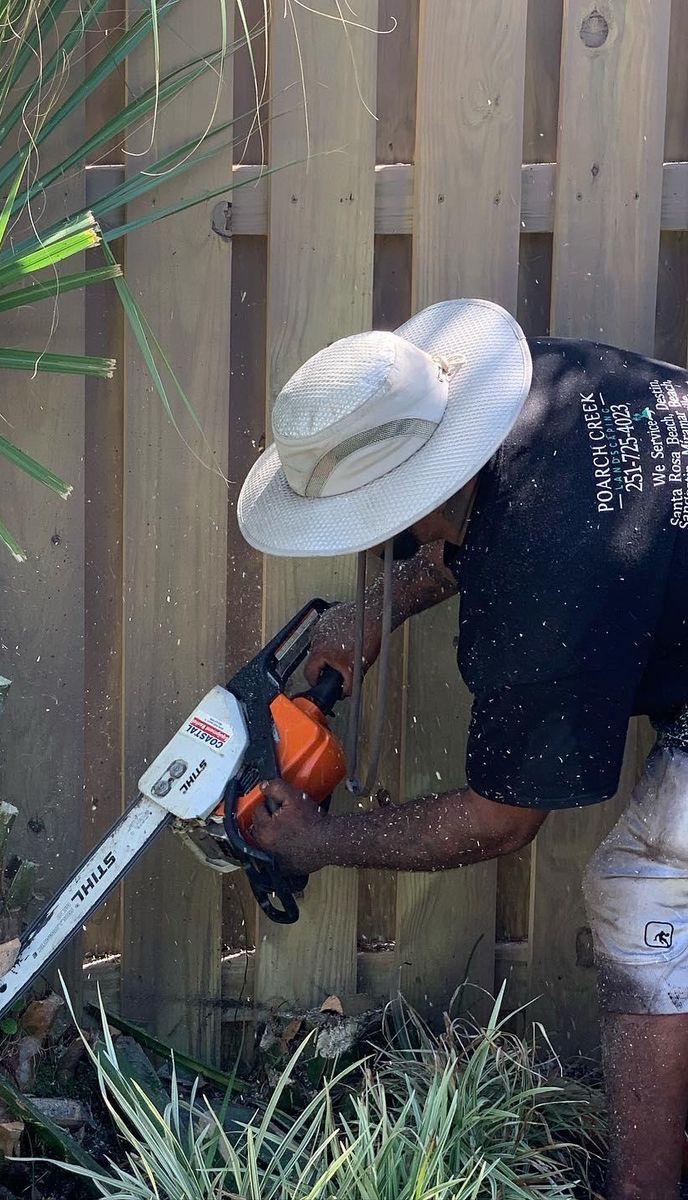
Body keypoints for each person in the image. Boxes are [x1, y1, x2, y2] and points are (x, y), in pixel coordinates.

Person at [235, 298, 688, 1200]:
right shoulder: (537, 391)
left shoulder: (535, 609)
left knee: (644, 890)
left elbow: (498, 821)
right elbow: (488, 519)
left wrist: (319, 843)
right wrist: (380, 604)